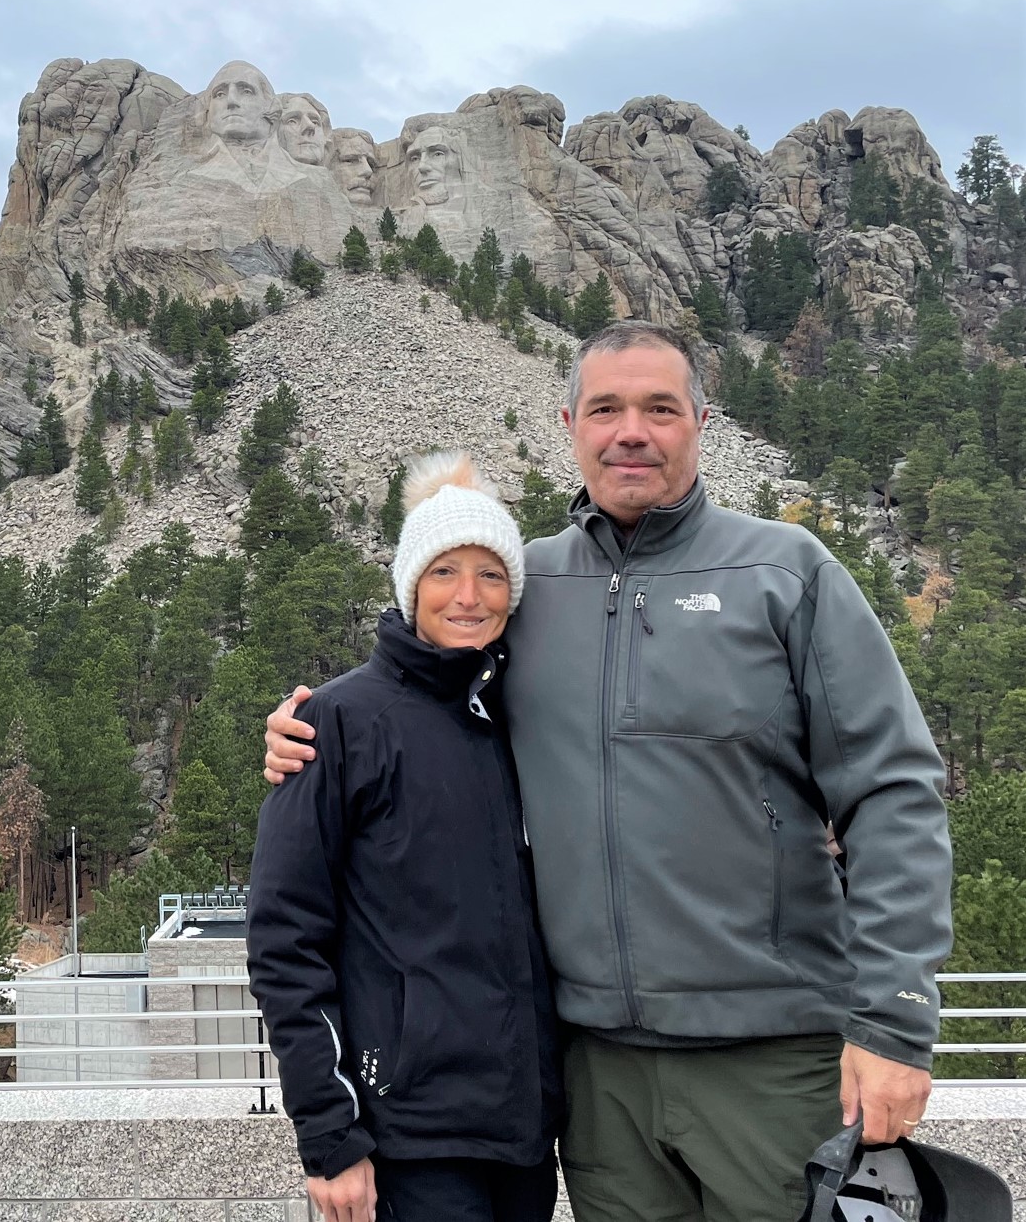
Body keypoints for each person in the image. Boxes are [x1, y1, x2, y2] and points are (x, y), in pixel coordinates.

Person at [265, 320, 953, 1222]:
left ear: (700, 420)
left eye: (659, 408)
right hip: (595, 1078)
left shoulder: (785, 573)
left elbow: (891, 791)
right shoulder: (525, 587)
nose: (631, 430)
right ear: (570, 423)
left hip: (772, 1057)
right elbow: (414, 697)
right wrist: (304, 735)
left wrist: (895, 1017)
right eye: (606, 409)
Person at [248, 452, 563, 1222]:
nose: (468, 595)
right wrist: (329, 1133)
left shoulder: (520, 722)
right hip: (406, 1133)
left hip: (521, 1137)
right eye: (444, 571)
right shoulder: (337, 721)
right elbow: (284, 938)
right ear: (408, 586)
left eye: (491, 575)